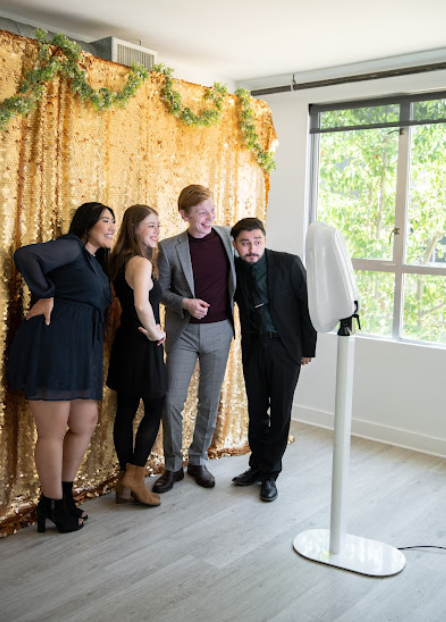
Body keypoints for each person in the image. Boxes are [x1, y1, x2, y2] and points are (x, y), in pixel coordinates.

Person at [8, 202, 116, 532]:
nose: (112, 227)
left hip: (82, 350)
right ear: (87, 225)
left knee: (85, 422)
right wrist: (45, 293)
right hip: (55, 344)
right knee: (53, 430)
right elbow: (25, 256)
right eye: (105, 221)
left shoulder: (95, 262)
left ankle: (62, 497)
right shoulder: (71, 246)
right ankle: (53, 503)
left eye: (114, 222)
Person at [152, 185, 235, 493]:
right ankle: (173, 466)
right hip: (183, 333)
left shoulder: (228, 237)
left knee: (209, 401)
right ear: (184, 215)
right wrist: (185, 303)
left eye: (211, 210)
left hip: (220, 330)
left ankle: (198, 460)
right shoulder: (169, 247)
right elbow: (161, 292)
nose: (209, 217)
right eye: (202, 212)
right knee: (172, 401)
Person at [230, 217, 317, 502]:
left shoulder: (288, 263)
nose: (251, 248)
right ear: (235, 245)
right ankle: (256, 466)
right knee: (256, 411)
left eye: (257, 241)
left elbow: (307, 306)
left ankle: (270, 474)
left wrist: (308, 348)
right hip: (253, 347)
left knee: (280, 413)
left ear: (265, 241)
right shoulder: (234, 269)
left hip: (285, 347)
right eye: (245, 243)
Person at [106, 205, 166, 507]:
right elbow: (142, 305)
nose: (156, 231)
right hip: (143, 345)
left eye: (158, 225)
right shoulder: (141, 263)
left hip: (125, 343)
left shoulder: (119, 261)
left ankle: (124, 481)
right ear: (134, 228)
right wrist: (155, 333)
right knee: (155, 408)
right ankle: (136, 476)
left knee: (126, 411)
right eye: (150, 225)